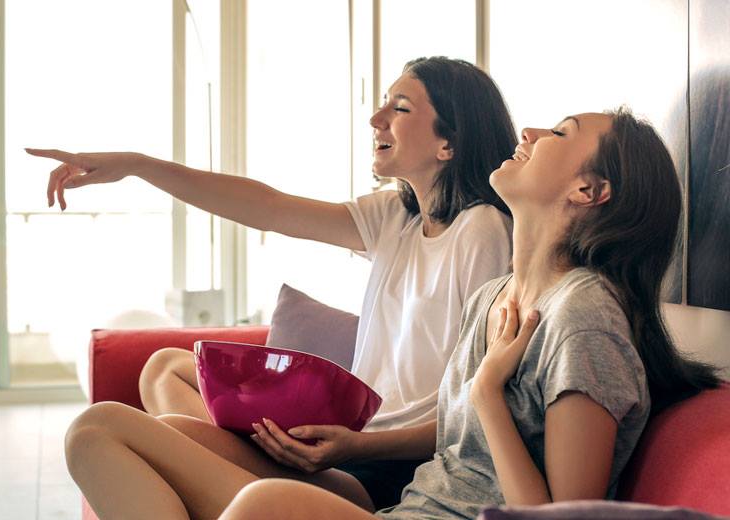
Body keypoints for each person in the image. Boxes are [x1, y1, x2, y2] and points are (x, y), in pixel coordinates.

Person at [32, 57, 518, 512]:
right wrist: (139, 166)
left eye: (400, 107)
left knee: (101, 431)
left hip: (388, 471)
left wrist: (354, 446)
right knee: (165, 370)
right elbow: (265, 206)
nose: (376, 118)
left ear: (448, 144)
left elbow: (473, 407)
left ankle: (239, 498)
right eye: (384, 102)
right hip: (343, 448)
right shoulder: (397, 217)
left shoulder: (481, 229)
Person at [211, 109, 724, 519]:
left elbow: (563, 518)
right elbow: (458, 447)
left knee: (265, 503)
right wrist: (353, 448)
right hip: (410, 506)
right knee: (133, 430)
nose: (529, 131)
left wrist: (487, 393)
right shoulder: (493, 297)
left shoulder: (584, 318)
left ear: (587, 192)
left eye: (560, 132)